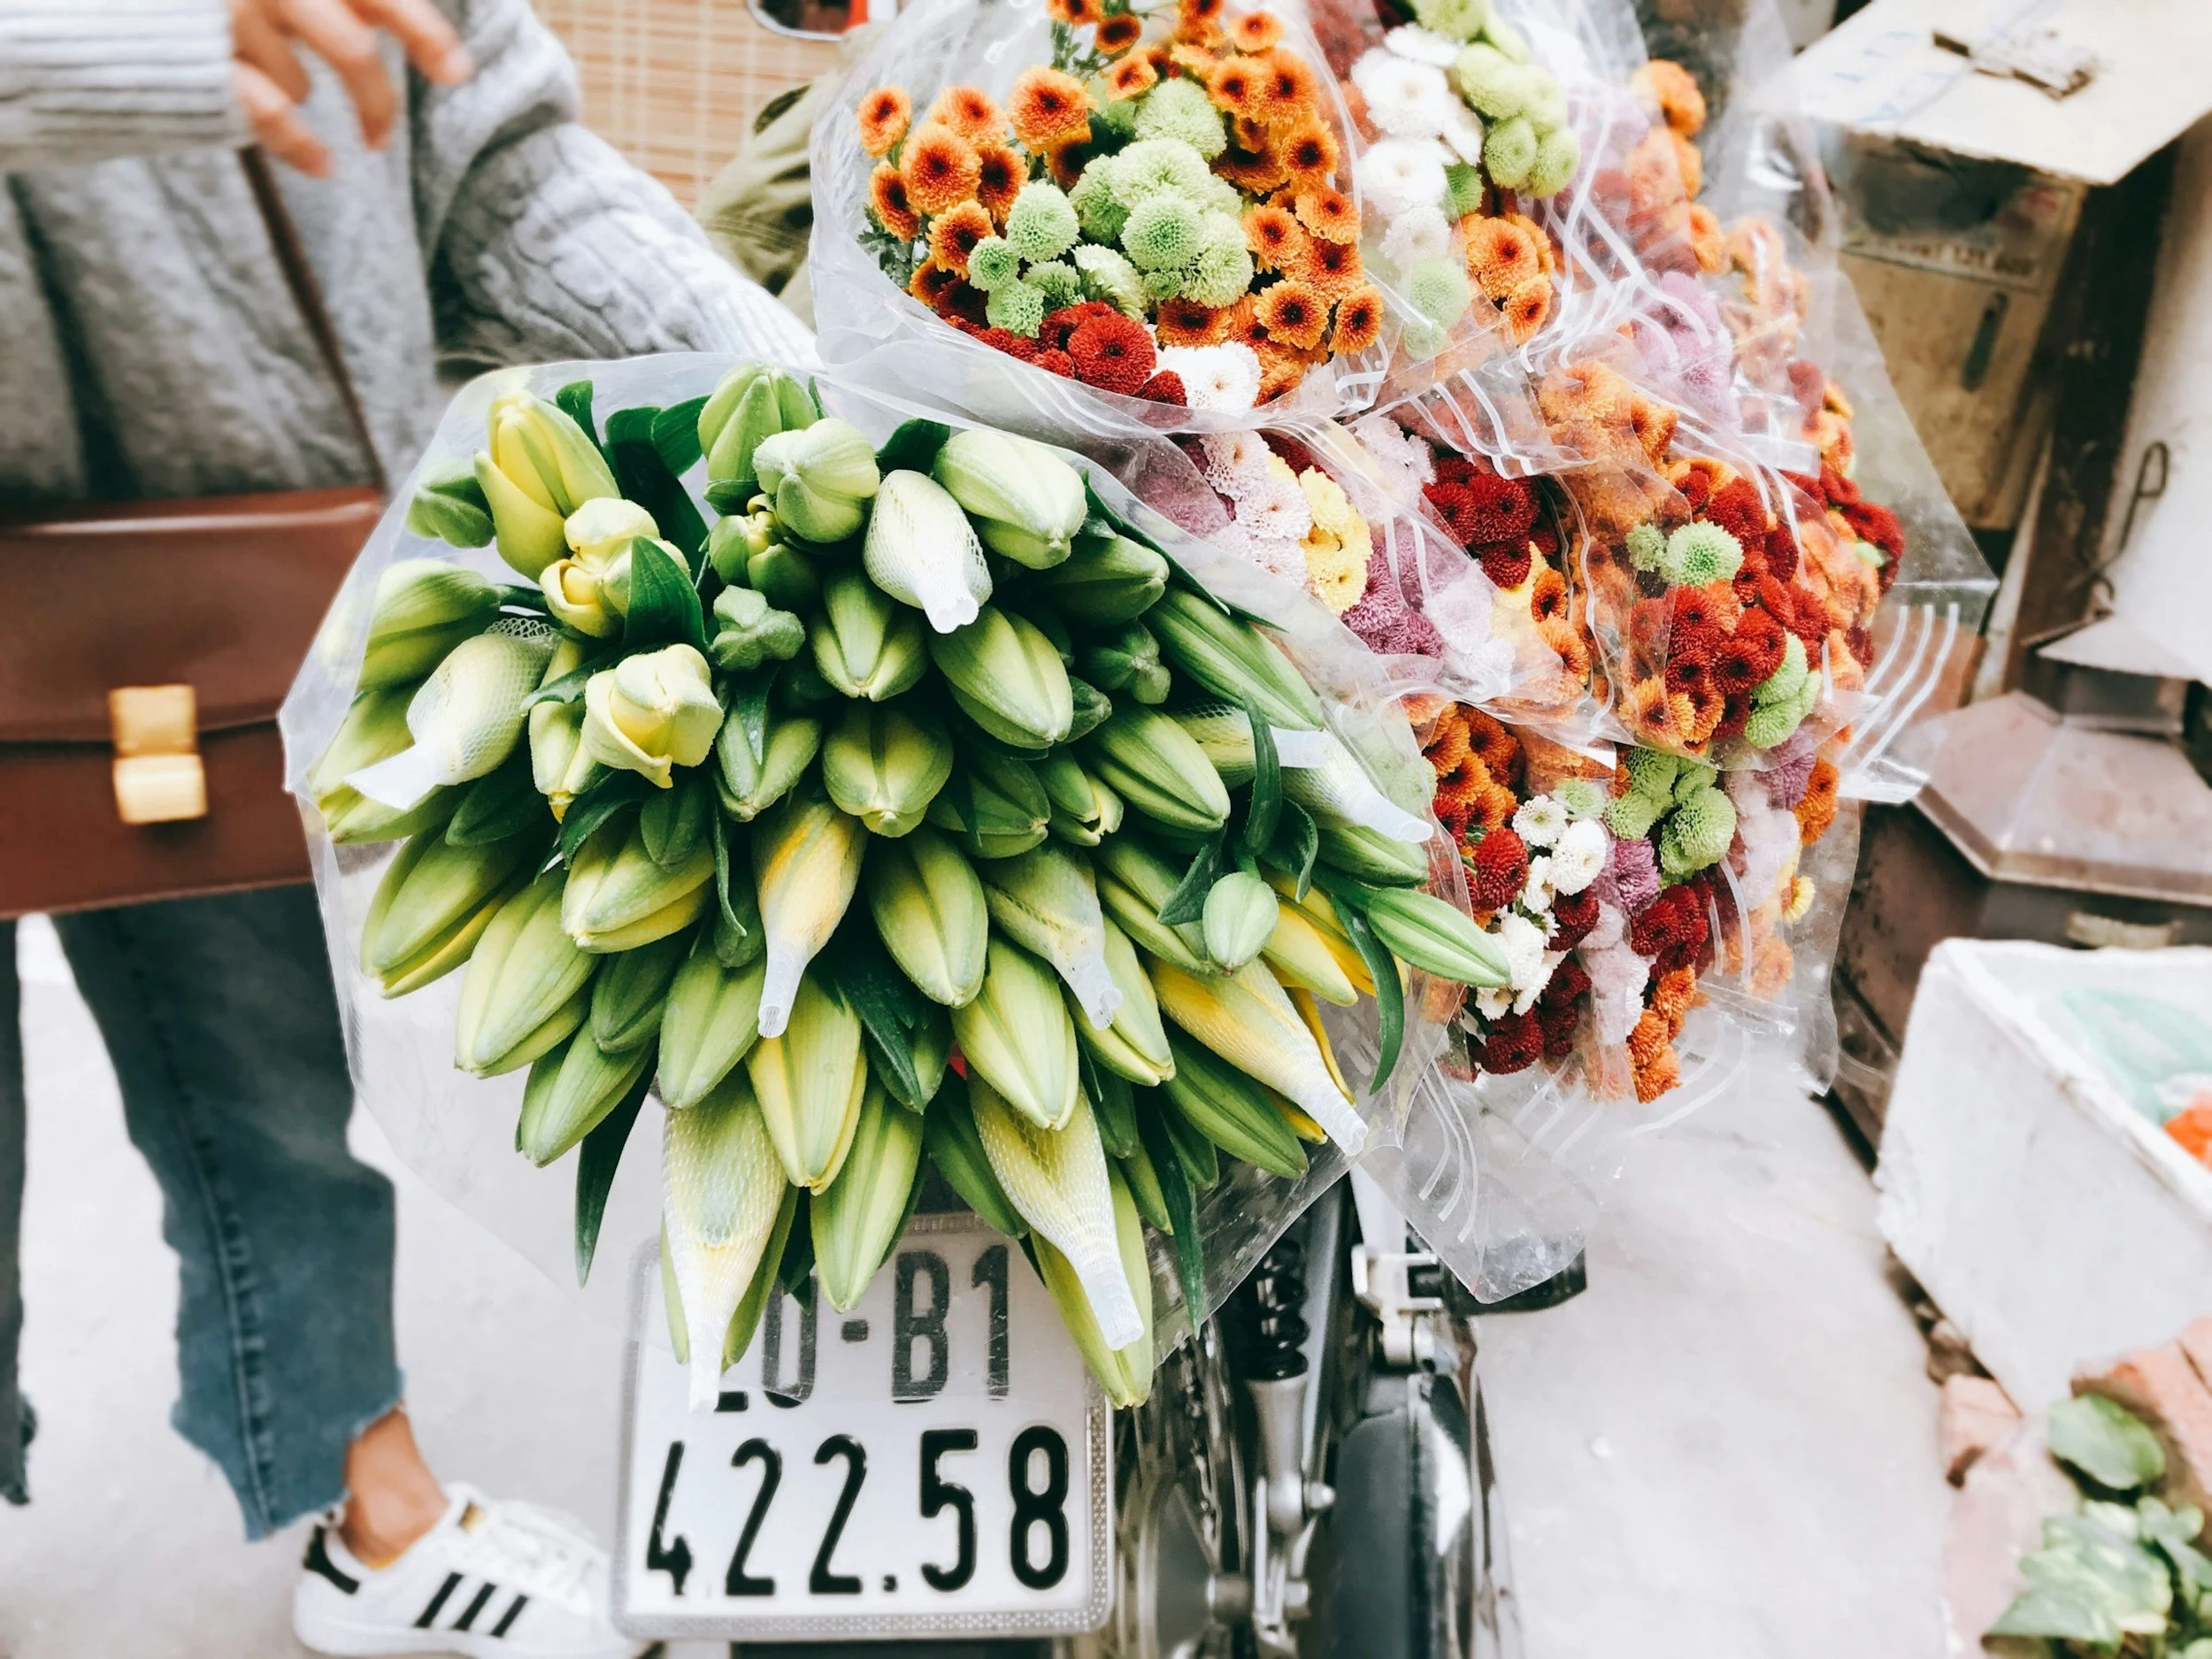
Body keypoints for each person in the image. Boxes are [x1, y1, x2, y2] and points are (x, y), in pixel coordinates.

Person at [0, 0, 810, 1654]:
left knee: (275, 1069)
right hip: (174, 554)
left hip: (216, 580)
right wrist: (116, 46)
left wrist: (800, 395)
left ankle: (371, 1509)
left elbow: (490, 160)